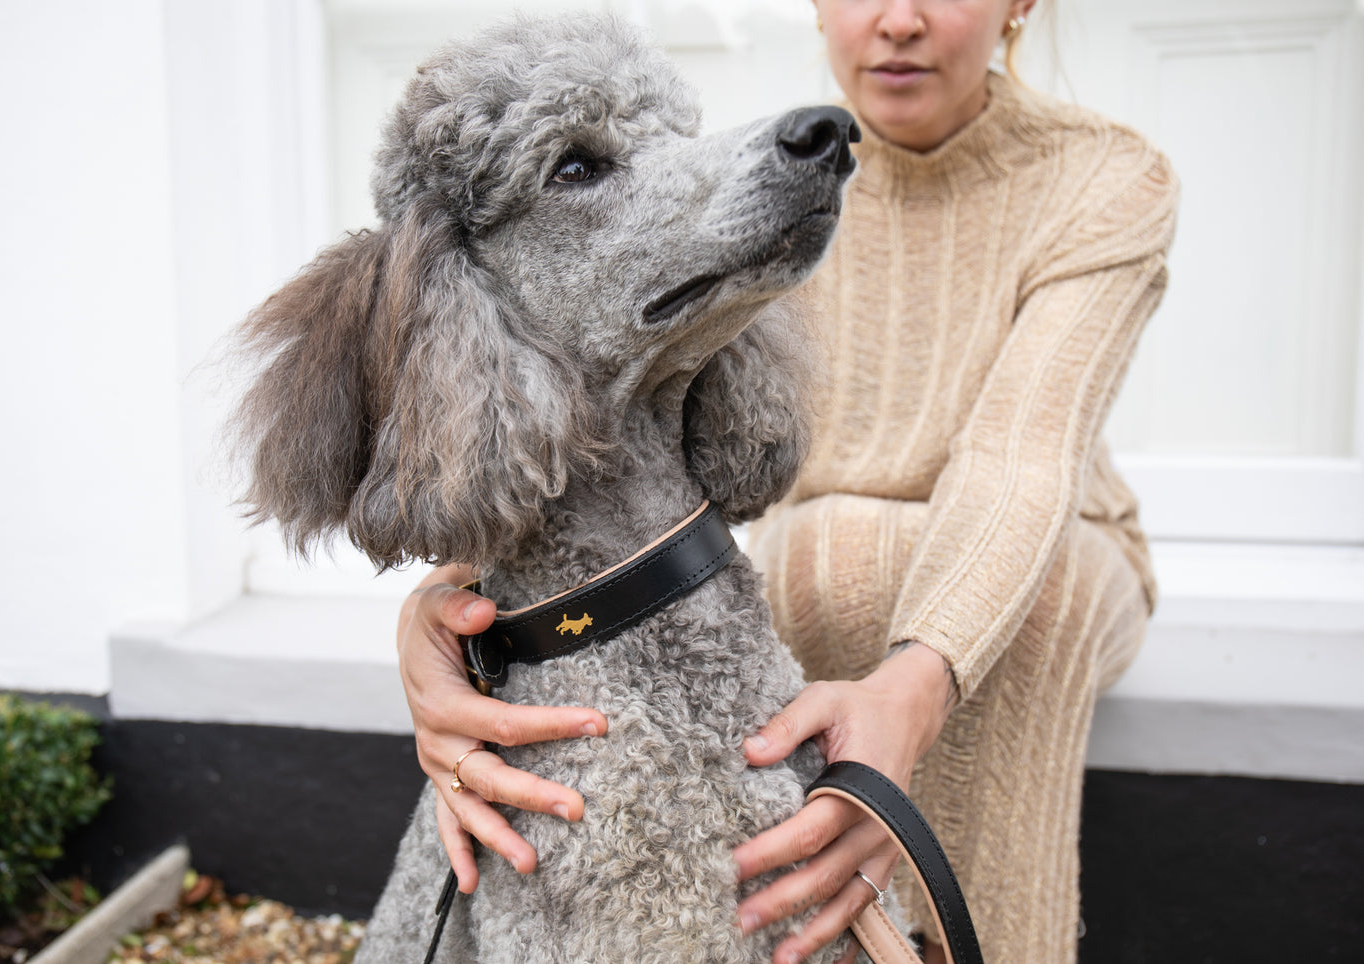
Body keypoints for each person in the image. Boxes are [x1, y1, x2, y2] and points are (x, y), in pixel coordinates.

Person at [395, 0, 1179, 961]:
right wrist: (444, 615)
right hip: (816, 533)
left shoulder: (1108, 178)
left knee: (1030, 602)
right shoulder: (748, 165)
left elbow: (1019, 461)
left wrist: (907, 702)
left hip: (1055, 543)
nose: (897, 20)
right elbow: (592, 412)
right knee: (821, 555)